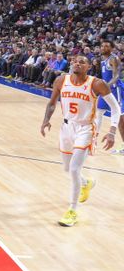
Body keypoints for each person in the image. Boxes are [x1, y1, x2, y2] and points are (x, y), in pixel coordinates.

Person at [40, 55, 118, 227]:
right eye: (75, 60)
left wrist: (112, 131)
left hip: (86, 128)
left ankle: (72, 211)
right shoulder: (61, 80)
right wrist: (46, 119)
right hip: (66, 128)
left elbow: (115, 107)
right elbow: (52, 103)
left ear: (88, 67)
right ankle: (87, 183)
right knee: (68, 169)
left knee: (74, 170)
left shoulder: (96, 83)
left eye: (82, 62)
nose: (77, 63)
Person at [98, 40, 124, 151]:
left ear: (112, 48)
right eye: (102, 46)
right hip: (106, 90)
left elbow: (116, 76)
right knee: (98, 112)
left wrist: (106, 86)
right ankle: (92, 140)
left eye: (107, 46)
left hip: (115, 90)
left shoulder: (114, 59)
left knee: (121, 120)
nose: (104, 47)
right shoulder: (102, 61)